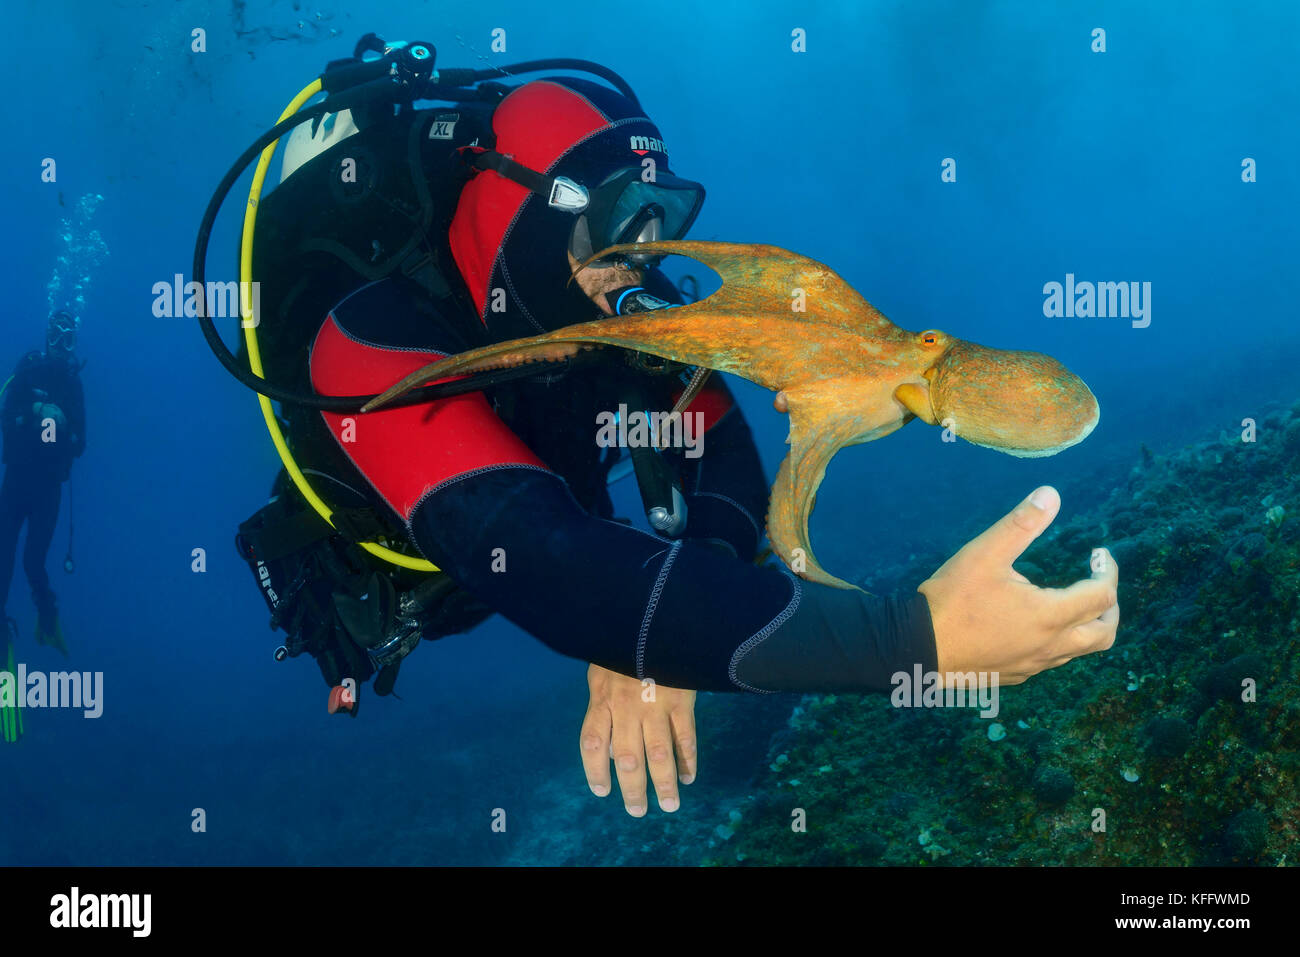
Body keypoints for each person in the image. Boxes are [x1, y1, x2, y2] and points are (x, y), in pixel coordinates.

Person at [231, 46, 1120, 816]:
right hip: (397, 556)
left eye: (656, 221)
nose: (641, 260)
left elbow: (720, 451)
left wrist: (650, 620)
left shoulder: (614, 306)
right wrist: (913, 643)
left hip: (548, 516)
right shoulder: (360, 347)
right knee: (366, 633)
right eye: (613, 223)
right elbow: (542, 562)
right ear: (531, 215)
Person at [1, 310, 85, 663]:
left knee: (33, 562)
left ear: (72, 343)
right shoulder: (28, 368)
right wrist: (35, 409)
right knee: (2, 551)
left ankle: (48, 619)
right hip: (17, 480)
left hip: (48, 488)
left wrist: (64, 421)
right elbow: (5, 418)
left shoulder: (72, 384)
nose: (59, 346)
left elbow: (82, 444)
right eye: (55, 337)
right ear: (46, 336)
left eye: (67, 339)